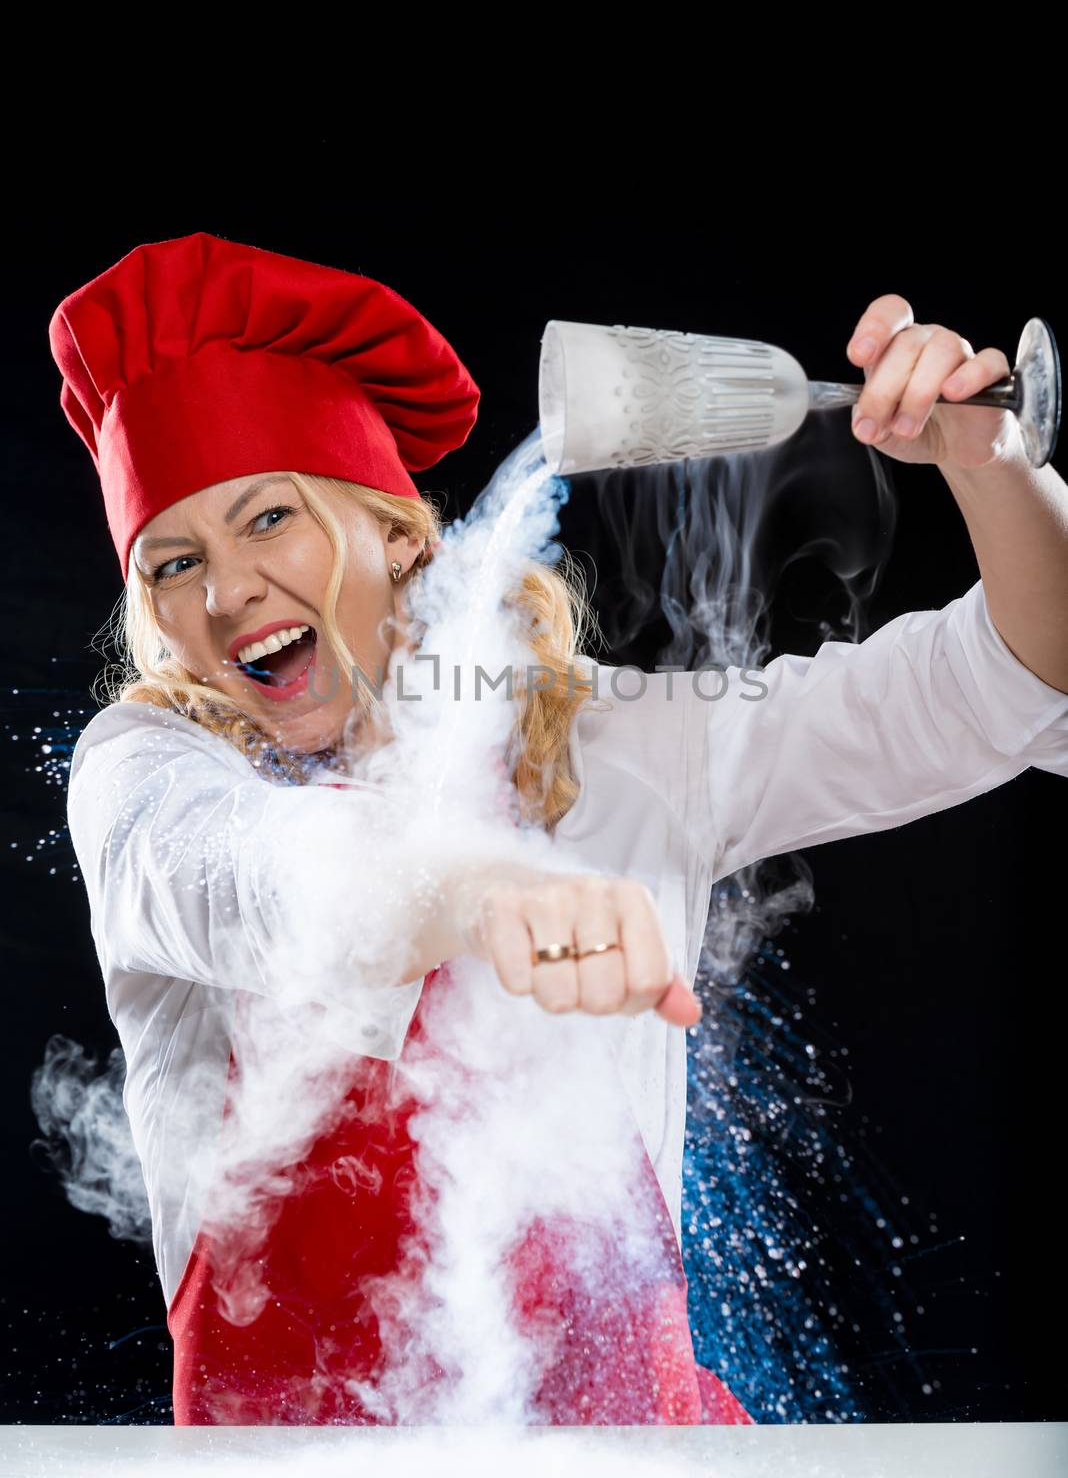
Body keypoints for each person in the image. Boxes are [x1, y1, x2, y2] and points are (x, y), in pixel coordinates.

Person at [51, 233, 1068, 1427]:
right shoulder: (150, 772)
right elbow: (257, 881)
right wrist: (482, 892)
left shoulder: (623, 753)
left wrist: (989, 461)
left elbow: (1016, 685)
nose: (224, 595)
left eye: (269, 518)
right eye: (174, 564)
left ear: (400, 537)